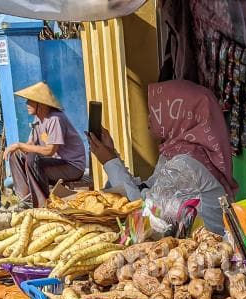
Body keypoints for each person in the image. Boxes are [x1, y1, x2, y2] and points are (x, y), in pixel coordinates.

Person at [87, 80, 237, 234]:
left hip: (207, 251)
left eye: (156, 111)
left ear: (177, 114)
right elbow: (147, 190)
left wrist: (109, 162)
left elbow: (145, 214)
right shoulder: (174, 154)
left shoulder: (185, 164)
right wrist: (112, 155)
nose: (149, 119)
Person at [3, 81, 86, 207]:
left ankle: (42, 203)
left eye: (30, 101)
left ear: (41, 104)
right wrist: (19, 149)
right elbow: (31, 144)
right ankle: (25, 199)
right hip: (53, 163)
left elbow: (50, 151)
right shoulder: (38, 119)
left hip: (72, 167)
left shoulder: (55, 119)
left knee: (33, 159)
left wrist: (20, 145)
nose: (26, 104)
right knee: (17, 155)